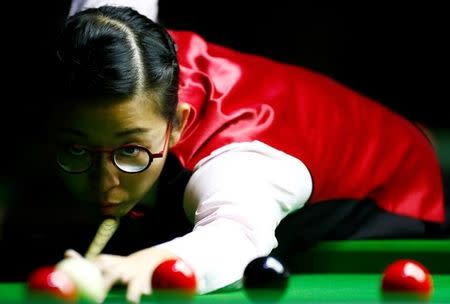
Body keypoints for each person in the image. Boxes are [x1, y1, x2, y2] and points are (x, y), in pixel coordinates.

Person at [47, 3, 448, 303]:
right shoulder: (107, 49)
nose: (104, 182)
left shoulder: (237, 160)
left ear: (178, 125)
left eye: (130, 149)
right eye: (77, 149)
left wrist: (148, 262)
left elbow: (234, 238)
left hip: (396, 181)